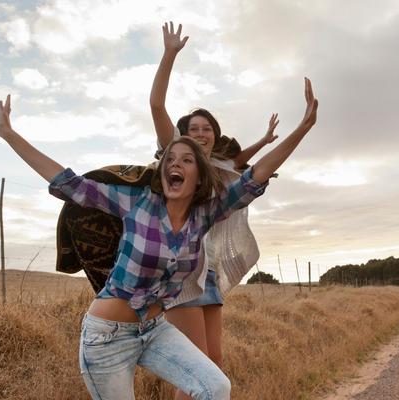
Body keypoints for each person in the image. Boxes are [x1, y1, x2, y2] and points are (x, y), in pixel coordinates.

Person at [0, 75, 318, 399]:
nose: (177, 163)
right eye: (171, 159)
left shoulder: (205, 213)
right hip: (106, 338)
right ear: (163, 169)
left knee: (215, 385)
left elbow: (253, 177)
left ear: (199, 174)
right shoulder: (134, 202)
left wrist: (302, 129)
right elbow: (69, 183)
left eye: (187, 160)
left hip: (154, 331)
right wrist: (9, 135)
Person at [149, 21, 279, 395]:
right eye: (194, 127)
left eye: (207, 128)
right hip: (178, 272)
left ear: (214, 135)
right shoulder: (176, 159)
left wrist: (266, 141)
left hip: (208, 272)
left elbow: (238, 165)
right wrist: (169, 55)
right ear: (183, 134)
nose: (201, 133)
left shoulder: (219, 171)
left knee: (214, 363)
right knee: (195, 367)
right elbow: (157, 105)